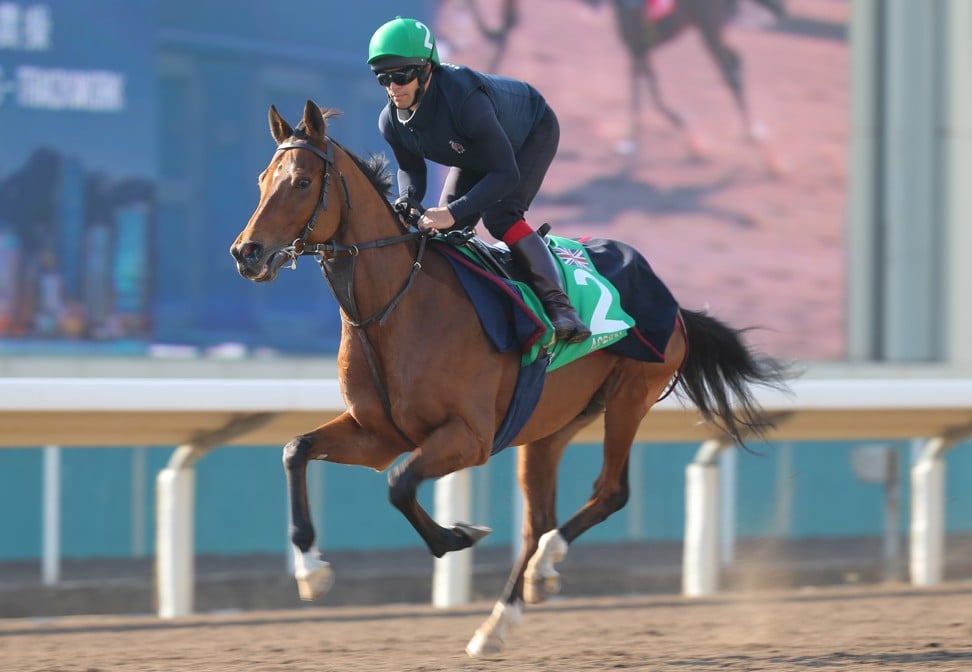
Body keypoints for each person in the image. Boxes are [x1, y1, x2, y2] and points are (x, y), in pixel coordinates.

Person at [368, 16, 591, 345]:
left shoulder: (466, 101)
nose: (393, 87)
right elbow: (412, 171)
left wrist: (454, 211)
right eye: (383, 78)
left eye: (402, 75)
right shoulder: (390, 120)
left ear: (427, 70)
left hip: (530, 132)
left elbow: (505, 173)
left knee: (501, 216)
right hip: (474, 149)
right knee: (442, 233)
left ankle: (562, 309)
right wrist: (408, 199)